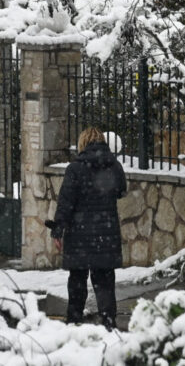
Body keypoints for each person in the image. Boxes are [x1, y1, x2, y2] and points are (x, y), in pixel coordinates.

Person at [48, 127, 127, 328]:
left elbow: (66, 202)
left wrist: (58, 230)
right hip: (106, 233)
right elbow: (121, 191)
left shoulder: (75, 169)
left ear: (83, 143)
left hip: (79, 235)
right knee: (105, 282)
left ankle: (74, 320)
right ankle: (109, 322)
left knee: (77, 280)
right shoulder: (114, 166)